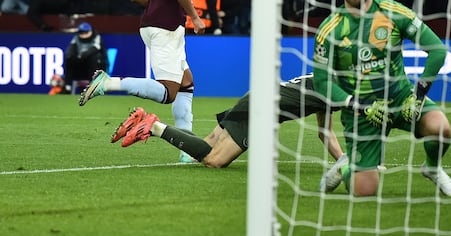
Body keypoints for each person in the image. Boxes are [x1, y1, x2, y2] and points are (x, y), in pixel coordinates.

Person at [313, 0, 451, 197]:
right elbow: (321, 81)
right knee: (365, 192)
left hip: (401, 99)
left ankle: (433, 168)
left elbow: (437, 50)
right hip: (362, 112)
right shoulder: (331, 29)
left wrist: (418, 96)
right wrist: (357, 105)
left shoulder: (393, 12)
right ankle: (346, 166)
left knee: (441, 128)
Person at [78, 0, 207, 164]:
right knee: (168, 92)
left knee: (186, 85)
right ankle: (109, 83)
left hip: (150, 23)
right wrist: (194, 15)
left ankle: (187, 150)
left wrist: (158, 5)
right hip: (167, 27)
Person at [109, 74, 345, 170]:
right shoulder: (336, 87)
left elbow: (326, 134)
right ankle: (153, 126)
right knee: (214, 161)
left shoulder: (324, 81)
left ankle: (145, 121)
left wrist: (344, 163)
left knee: (206, 146)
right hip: (260, 111)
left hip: (256, 98)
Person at [63, 22, 108, 94]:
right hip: (80, 68)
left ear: (90, 31)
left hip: (94, 69)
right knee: (70, 59)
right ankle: (67, 87)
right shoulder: (76, 38)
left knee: (93, 57)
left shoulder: (96, 37)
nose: (83, 35)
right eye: (81, 33)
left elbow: (95, 49)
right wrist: (71, 55)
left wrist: (82, 55)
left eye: (85, 32)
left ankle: (93, 87)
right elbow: (70, 49)